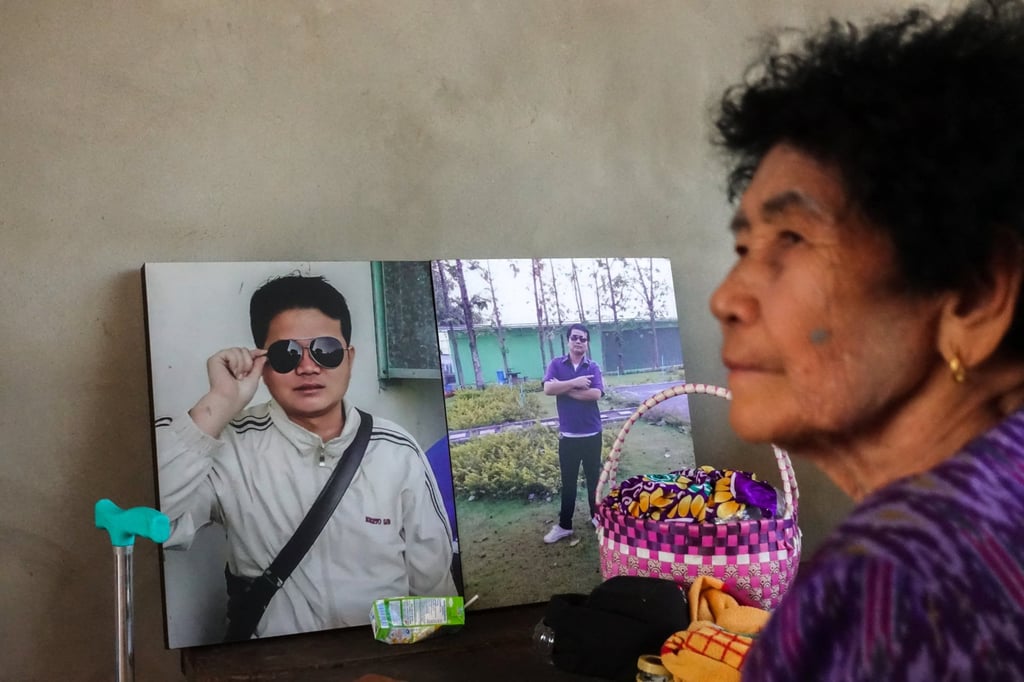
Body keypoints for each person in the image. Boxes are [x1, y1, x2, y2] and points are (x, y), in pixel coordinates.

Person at [707, 0, 1024, 678]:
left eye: (790, 238)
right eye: (742, 245)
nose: (726, 298)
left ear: (973, 296)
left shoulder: (890, 590)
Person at [155, 274, 457, 640]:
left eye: (325, 350)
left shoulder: (396, 450)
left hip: (378, 663)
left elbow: (437, 596)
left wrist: (388, 655)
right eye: (287, 354)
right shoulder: (229, 447)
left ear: (349, 358)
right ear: (262, 364)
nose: (308, 367)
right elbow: (156, 522)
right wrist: (219, 403)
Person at [541, 323, 605, 543]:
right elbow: (548, 389)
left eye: (583, 339)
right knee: (568, 482)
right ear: (568, 341)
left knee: (593, 479)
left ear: (587, 344)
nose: (579, 342)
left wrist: (565, 389)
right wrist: (576, 383)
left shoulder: (593, 367)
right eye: (575, 338)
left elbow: (595, 394)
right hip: (568, 437)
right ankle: (564, 526)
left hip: (592, 434)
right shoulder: (556, 364)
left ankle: (597, 517)